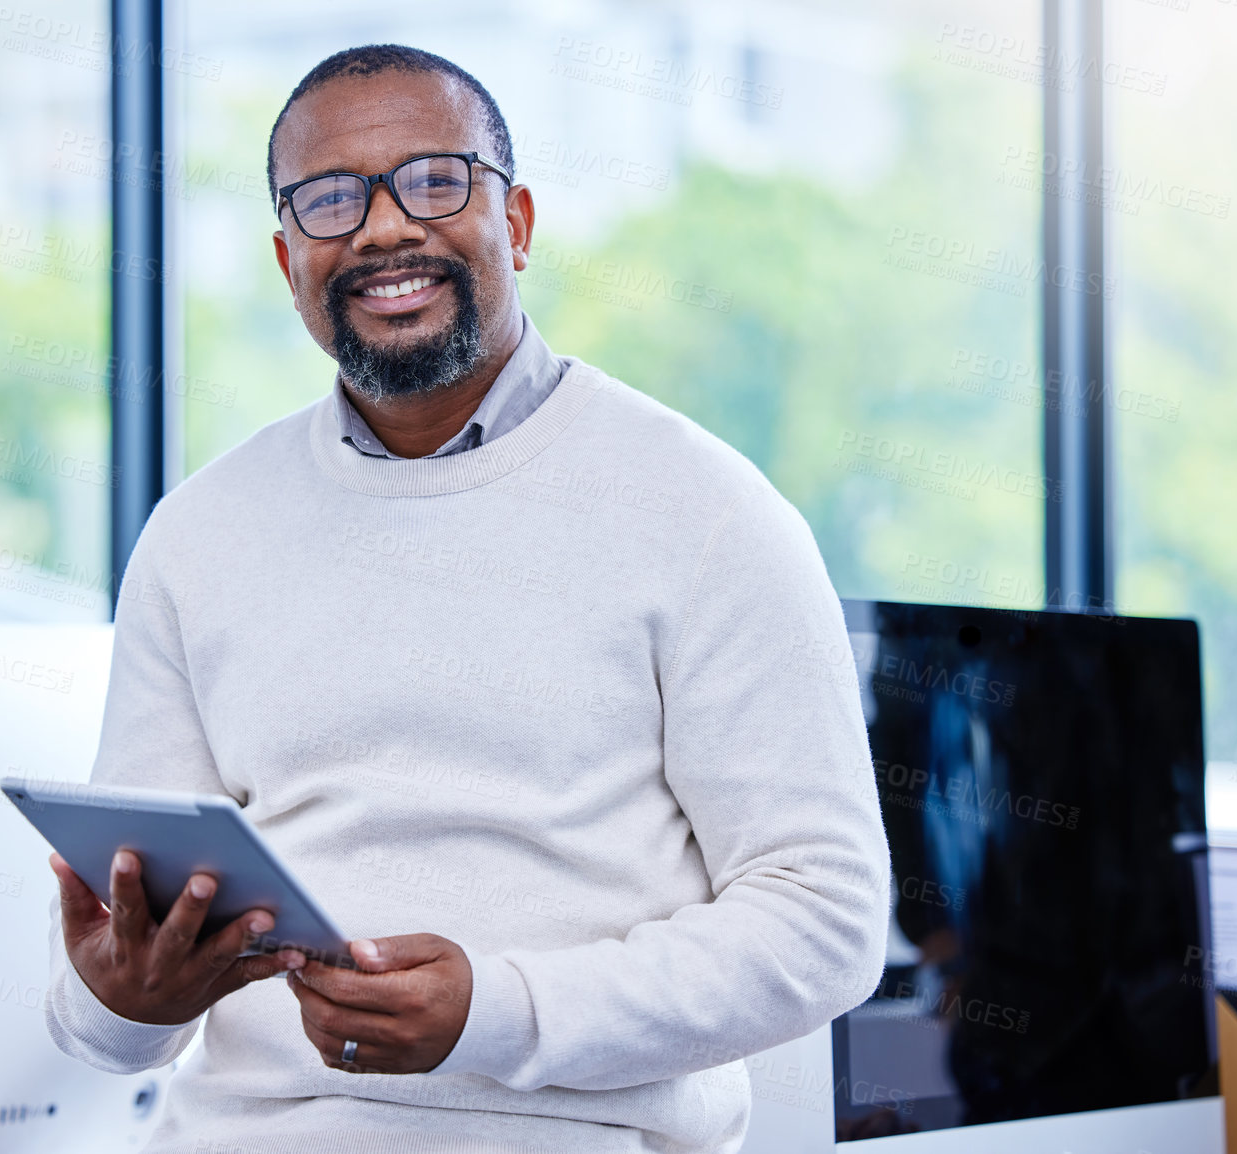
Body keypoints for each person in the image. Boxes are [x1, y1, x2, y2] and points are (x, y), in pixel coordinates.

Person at [44, 42, 890, 1153]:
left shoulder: (708, 511)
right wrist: (119, 1003)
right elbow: (117, 979)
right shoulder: (198, 534)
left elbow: (823, 919)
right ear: (287, 253)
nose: (385, 228)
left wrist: (497, 1011)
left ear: (519, 222)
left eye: (436, 180)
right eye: (331, 199)